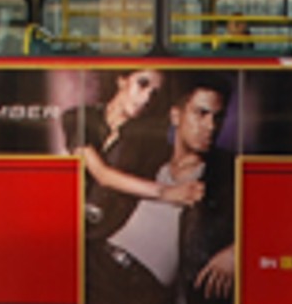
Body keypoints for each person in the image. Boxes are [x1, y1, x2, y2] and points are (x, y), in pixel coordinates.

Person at [85, 74, 235, 304]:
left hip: (147, 291)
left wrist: (237, 251)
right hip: (99, 264)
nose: (211, 126)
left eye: (219, 117)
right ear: (177, 116)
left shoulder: (225, 173)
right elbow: (100, 171)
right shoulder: (147, 155)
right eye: (201, 114)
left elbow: (281, 217)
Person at [62, 69, 201, 243]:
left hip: (101, 239)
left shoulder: (150, 141)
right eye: (142, 84)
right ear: (122, 81)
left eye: (154, 93)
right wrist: (166, 193)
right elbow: (102, 174)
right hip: (64, 224)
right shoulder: (78, 117)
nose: (146, 98)